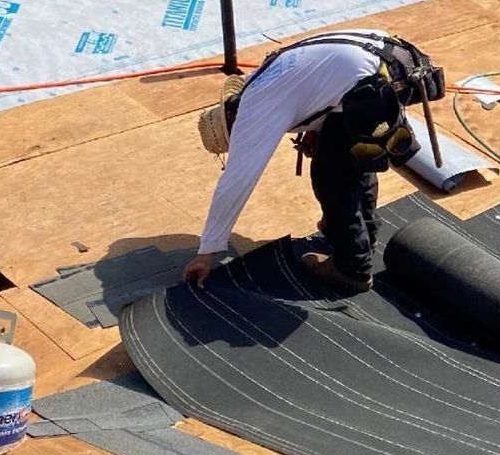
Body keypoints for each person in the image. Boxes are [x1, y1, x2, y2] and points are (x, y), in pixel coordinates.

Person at [183, 30, 443, 294]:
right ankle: (365, 233)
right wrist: (319, 129)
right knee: (349, 154)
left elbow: (237, 182)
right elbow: (317, 87)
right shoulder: (264, 76)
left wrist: (207, 252)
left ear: (233, 122)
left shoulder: (255, 111)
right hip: (393, 61)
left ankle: (352, 268)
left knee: (331, 175)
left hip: (372, 85)